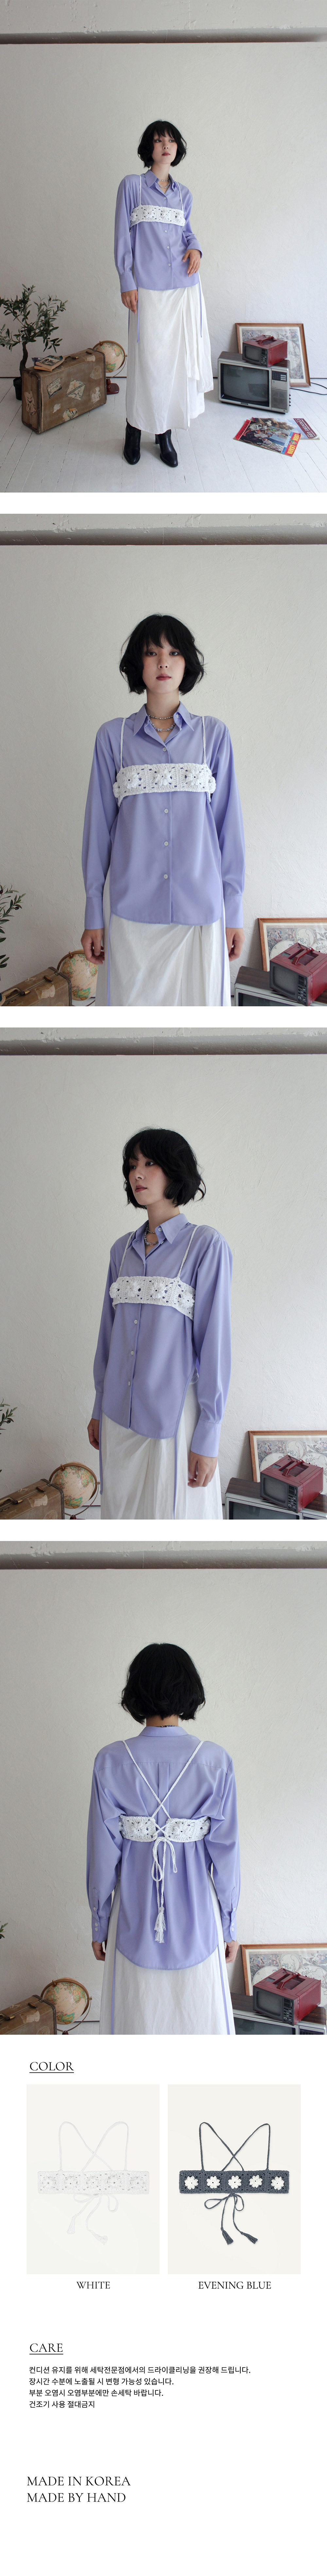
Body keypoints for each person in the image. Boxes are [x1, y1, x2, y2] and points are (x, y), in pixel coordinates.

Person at [81, 614, 245, 1008]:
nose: (163, 663)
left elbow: (229, 829)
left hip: (201, 913)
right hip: (132, 916)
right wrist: (92, 914)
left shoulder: (213, 736)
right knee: (132, 1031)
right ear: (138, 664)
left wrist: (234, 911)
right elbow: (97, 831)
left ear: (187, 663)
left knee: (199, 1031)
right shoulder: (113, 738)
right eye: (152, 653)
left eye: (174, 653)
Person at [87, 1641, 240, 2034]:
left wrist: (99, 1922)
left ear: (136, 1691)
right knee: (199, 2021)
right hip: (199, 1919)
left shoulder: (110, 1761)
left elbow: (102, 1855)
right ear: (189, 1689)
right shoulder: (215, 1761)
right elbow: (226, 1854)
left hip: (133, 1918)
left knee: (138, 2018)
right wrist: (229, 1923)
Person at [87, 1125, 232, 1521]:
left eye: (150, 1163)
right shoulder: (121, 1250)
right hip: (117, 1418)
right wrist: (99, 1406)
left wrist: (209, 1435)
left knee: (171, 1533)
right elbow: (108, 1337)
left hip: (173, 1419)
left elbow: (214, 1345)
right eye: (132, 1164)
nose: (137, 1173)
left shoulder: (205, 1245)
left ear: (175, 1169)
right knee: (121, 1528)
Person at [114, 120, 213, 467]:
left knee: (174, 364)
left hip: (184, 288)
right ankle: (134, 429)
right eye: (159, 141)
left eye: (171, 141)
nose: (166, 146)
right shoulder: (132, 186)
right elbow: (122, 236)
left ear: (177, 148)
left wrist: (196, 249)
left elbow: (187, 232)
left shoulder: (184, 194)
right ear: (150, 148)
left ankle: (164, 434)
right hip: (148, 288)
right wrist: (126, 280)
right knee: (148, 363)